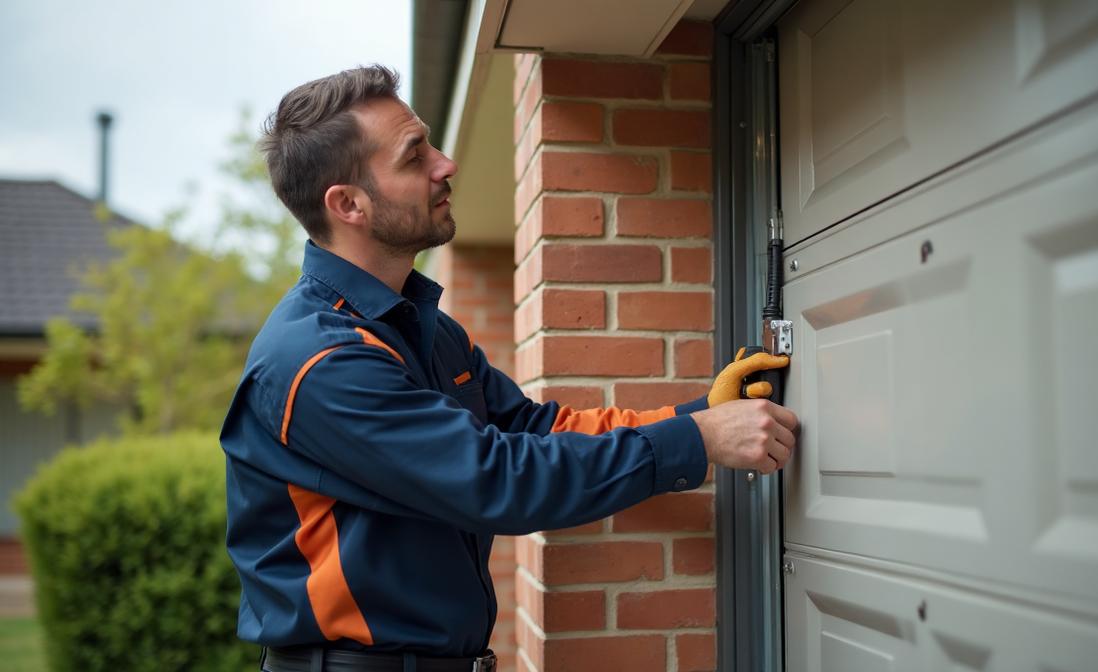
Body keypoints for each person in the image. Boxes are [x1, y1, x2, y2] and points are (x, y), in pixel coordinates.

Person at [221, 65, 797, 672]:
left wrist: (700, 415)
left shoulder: (426, 330)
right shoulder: (317, 362)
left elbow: (535, 431)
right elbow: (497, 480)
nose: (446, 165)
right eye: (415, 156)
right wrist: (697, 442)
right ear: (349, 204)